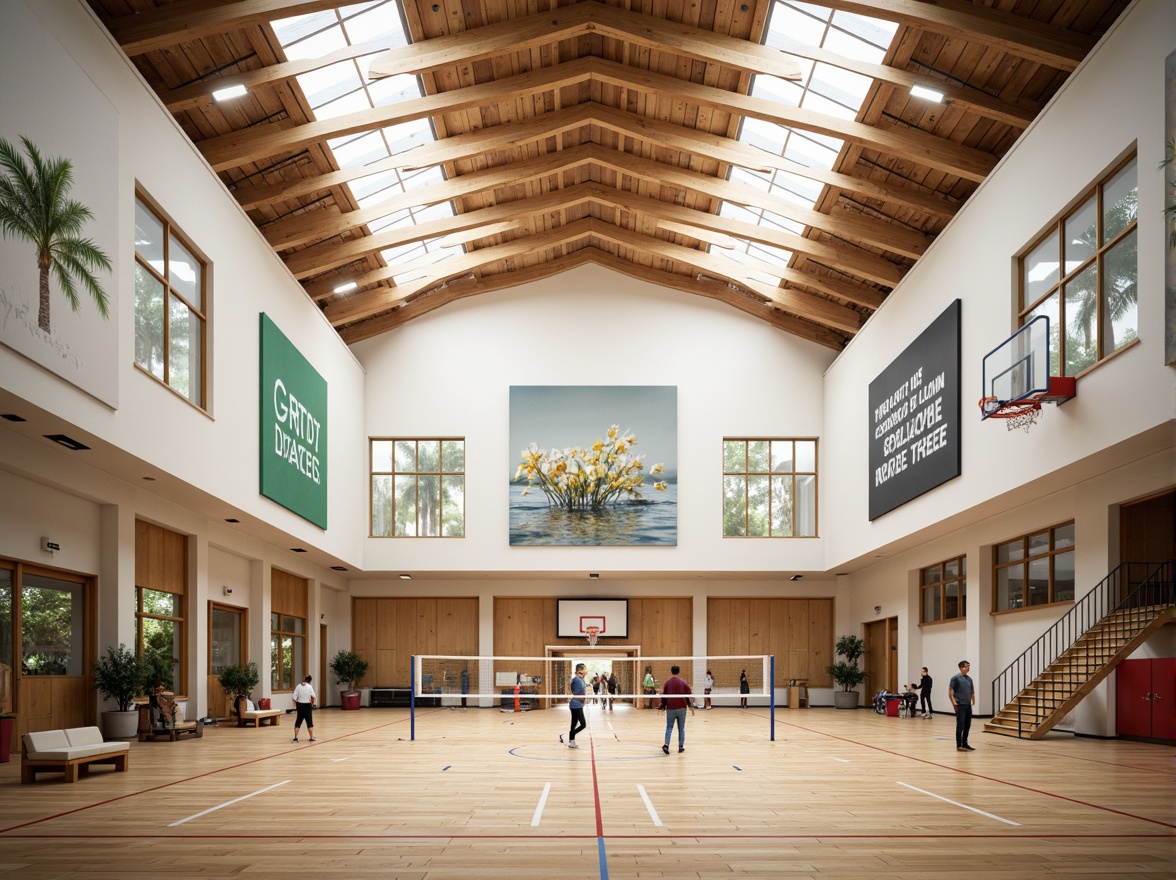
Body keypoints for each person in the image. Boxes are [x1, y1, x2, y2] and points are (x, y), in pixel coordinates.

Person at [658, 665, 693, 754]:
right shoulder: (683, 682)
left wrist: (662, 705)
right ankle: (681, 747)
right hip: (682, 708)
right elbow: (688, 695)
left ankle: (666, 745)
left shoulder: (667, 683)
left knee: (669, 727)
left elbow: (664, 696)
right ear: (679, 671)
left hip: (671, 708)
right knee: (681, 729)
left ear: (671, 671)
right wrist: (690, 706)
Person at [949, 660, 975, 751]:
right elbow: (950, 692)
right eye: (966, 666)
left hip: (968, 705)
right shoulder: (955, 678)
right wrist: (954, 703)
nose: (968, 667)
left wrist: (972, 701)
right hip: (960, 705)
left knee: (967, 725)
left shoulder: (969, 679)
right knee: (960, 725)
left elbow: (972, 691)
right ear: (961, 668)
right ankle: (959, 745)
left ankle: (965, 743)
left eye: (968, 665)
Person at [562, 662, 587, 749]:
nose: (585, 671)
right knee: (583, 724)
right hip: (576, 704)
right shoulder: (577, 680)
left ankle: (571, 742)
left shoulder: (580, 679)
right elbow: (576, 692)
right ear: (580, 670)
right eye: (584, 669)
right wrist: (582, 698)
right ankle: (572, 734)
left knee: (574, 723)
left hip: (577, 704)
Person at [292, 674, 316, 743]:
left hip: (299, 705)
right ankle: (311, 737)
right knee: (309, 721)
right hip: (307, 705)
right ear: (310, 681)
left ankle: (296, 737)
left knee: (298, 721)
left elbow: (294, 697)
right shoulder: (309, 687)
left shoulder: (298, 686)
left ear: (304, 679)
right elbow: (313, 696)